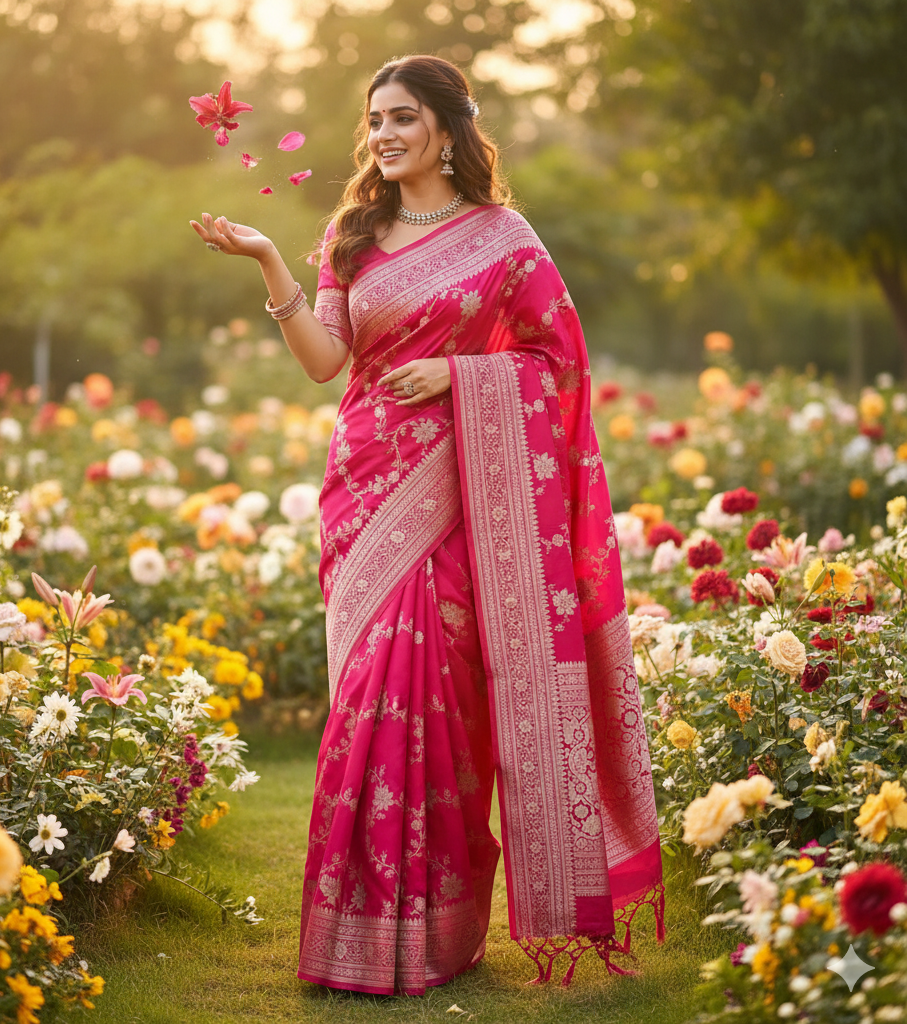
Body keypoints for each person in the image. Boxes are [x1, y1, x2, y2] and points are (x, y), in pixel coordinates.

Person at [190, 54, 663, 997]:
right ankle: (352, 937)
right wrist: (271, 260)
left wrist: (459, 375)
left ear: (447, 129)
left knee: (440, 706)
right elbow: (327, 361)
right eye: (375, 120)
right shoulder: (352, 235)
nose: (384, 134)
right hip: (363, 489)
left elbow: (556, 361)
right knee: (367, 698)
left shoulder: (504, 237)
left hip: (458, 497)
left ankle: (439, 937)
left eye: (403, 117)